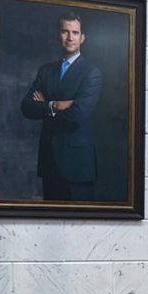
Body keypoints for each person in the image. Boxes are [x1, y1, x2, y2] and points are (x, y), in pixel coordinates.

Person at [19, 12, 104, 202]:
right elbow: (27, 107)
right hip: (50, 163)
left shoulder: (91, 73)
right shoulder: (46, 70)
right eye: (65, 31)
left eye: (75, 32)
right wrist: (56, 105)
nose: (70, 37)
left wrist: (45, 106)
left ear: (82, 38)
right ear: (59, 35)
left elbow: (78, 115)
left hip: (78, 166)